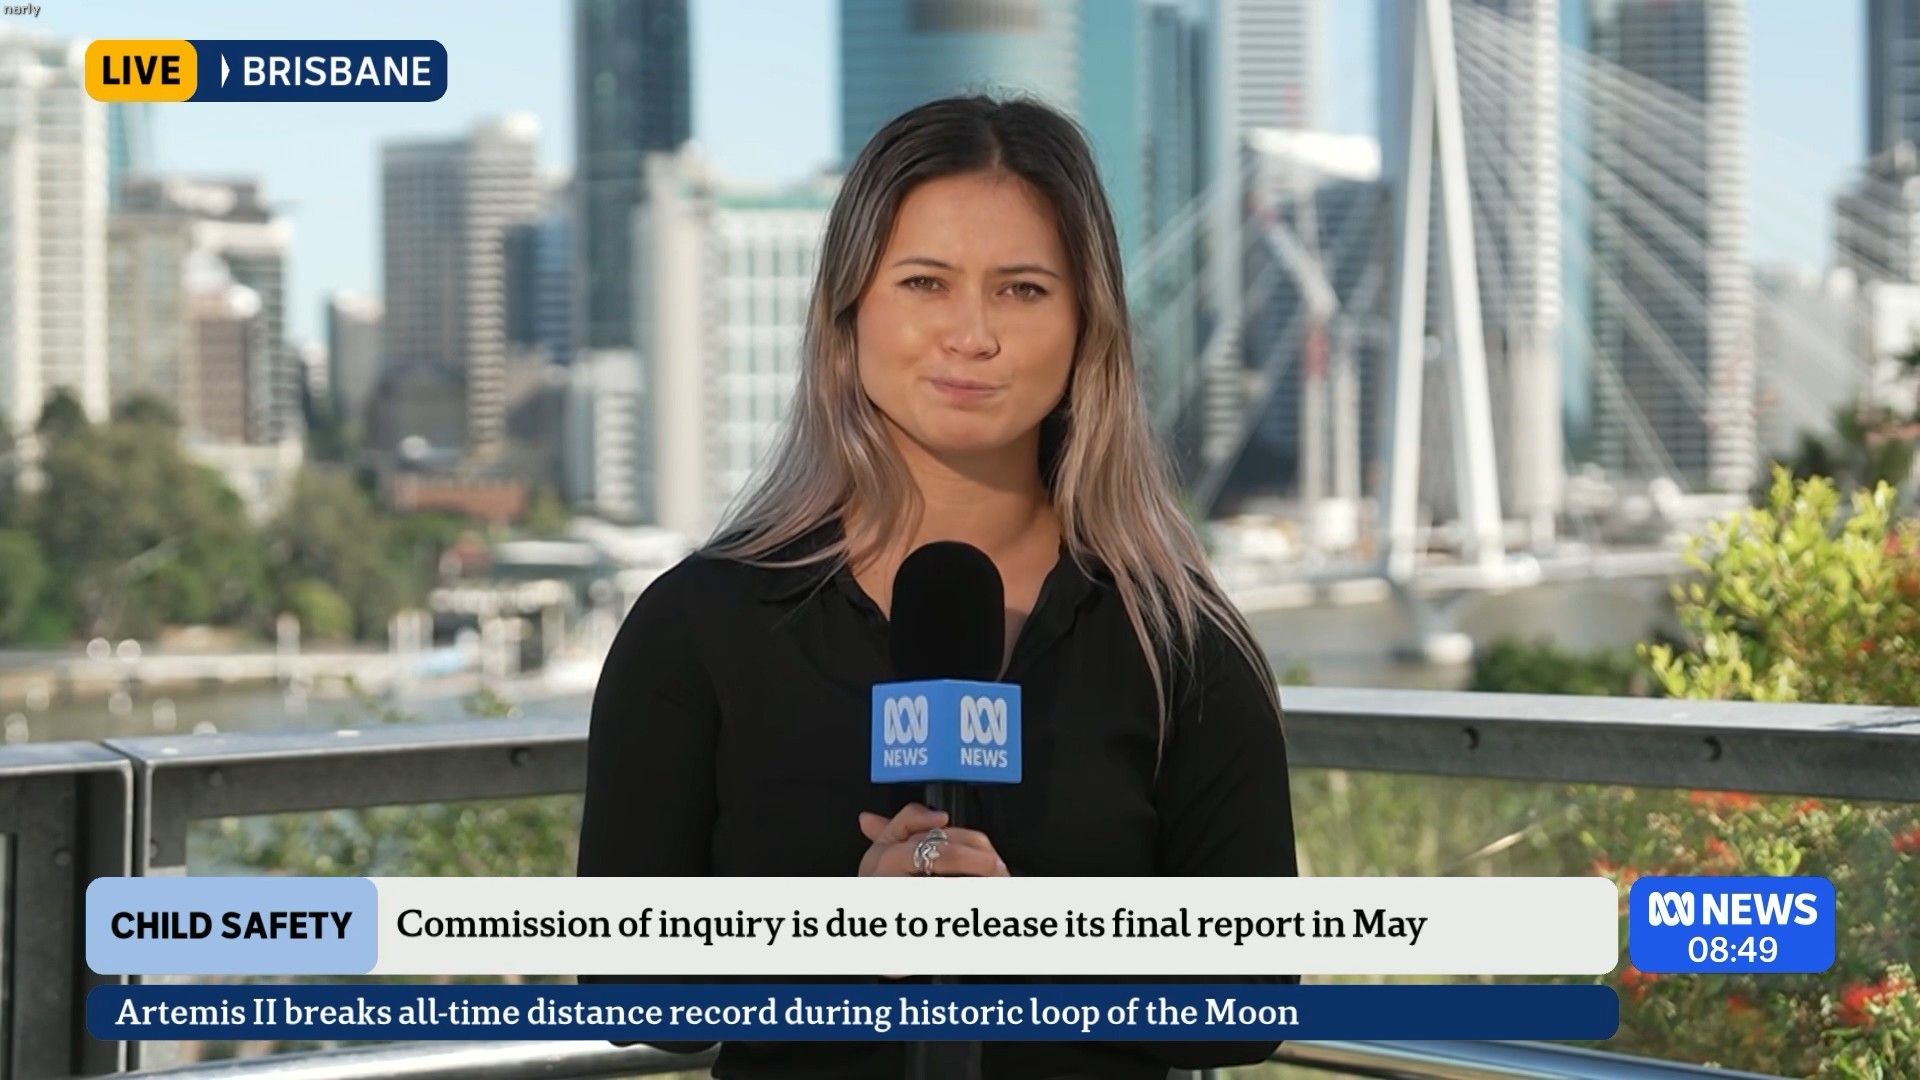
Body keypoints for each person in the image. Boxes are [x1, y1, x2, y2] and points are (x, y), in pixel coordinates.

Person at [577, 93, 1298, 1080]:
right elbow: (629, 986)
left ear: (1087, 323)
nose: (972, 335)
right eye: (925, 282)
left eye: (1023, 290)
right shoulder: (701, 624)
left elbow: (1250, 1004)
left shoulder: (1177, 636)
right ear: (849, 311)